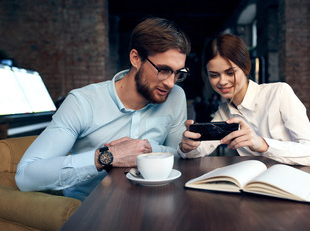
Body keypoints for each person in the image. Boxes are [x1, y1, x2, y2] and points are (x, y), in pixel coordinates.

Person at [16, 17, 191, 200]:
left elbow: (178, 162)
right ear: (135, 58)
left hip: (153, 207)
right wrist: (108, 157)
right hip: (89, 215)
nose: (171, 83)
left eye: (178, 73)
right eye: (163, 70)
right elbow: (26, 176)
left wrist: (153, 150)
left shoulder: (175, 96)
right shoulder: (82, 102)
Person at [178, 33, 310, 171]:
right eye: (214, 75)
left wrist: (262, 144)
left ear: (245, 68)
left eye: (230, 73)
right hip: (257, 186)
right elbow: (202, 149)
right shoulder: (224, 111)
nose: (222, 81)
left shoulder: (279, 93)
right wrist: (188, 147)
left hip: (295, 182)